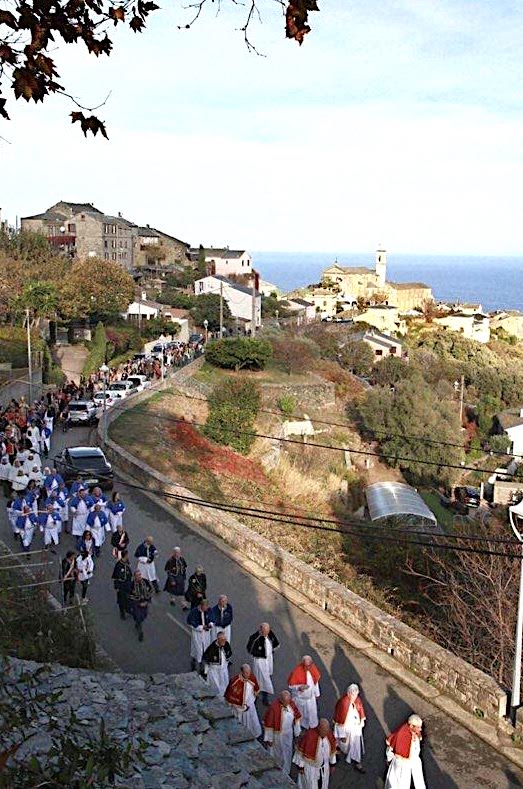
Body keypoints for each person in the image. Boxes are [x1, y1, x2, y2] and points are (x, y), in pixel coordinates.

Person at [263, 690, 302, 774]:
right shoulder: (274, 708)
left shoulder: (291, 704)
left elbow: (296, 717)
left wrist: (297, 731)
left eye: (289, 701)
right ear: (281, 700)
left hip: (288, 733)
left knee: (287, 751)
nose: (288, 703)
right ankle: (276, 769)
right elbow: (269, 725)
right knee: (277, 753)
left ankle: (286, 771)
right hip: (278, 735)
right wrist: (269, 739)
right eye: (286, 702)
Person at [385, 714, 426, 789]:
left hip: (415, 761)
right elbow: (393, 749)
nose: (420, 729)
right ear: (411, 726)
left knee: (419, 782)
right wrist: (389, 759)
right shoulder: (402, 734)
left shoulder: (414, 731)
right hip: (403, 764)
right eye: (418, 727)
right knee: (401, 784)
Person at [292, 719, 337, 789]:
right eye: (324, 730)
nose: (326, 733)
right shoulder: (309, 736)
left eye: (327, 730)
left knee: (323, 785)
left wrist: (333, 764)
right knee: (310, 786)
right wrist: (300, 767)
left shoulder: (329, 735)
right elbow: (301, 753)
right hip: (311, 768)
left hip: (324, 767)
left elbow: (332, 752)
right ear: (319, 728)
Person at [333, 683, 366, 773]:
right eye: (353, 695)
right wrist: (342, 735)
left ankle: (357, 762)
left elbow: (360, 711)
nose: (355, 697)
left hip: (355, 730)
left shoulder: (357, 700)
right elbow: (339, 720)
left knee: (356, 746)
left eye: (356, 694)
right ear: (348, 693)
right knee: (342, 744)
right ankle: (336, 753)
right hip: (346, 729)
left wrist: (361, 721)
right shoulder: (343, 703)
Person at [246, 622, 280, 705]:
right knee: (261, 679)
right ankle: (255, 697)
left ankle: (264, 697)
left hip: (268, 659)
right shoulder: (254, 638)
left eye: (268, 632)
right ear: (261, 630)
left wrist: (271, 651)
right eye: (265, 632)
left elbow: (276, 643)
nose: (267, 634)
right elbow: (249, 649)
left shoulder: (270, 634)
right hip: (260, 661)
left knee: (267, 676)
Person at [224, 664, 261, 739]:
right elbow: (230, 698)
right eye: (246, 673)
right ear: (242, 672)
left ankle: (254, 735)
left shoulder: (252, 678)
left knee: (252, 722)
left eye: (249, 672)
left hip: (250, 707)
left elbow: (256, 690)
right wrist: (241, 707)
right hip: (239, 710)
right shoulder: (234, 682)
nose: (248, 675)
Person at [288, 655, 321, 729]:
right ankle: (302, 727)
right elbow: (291, 685)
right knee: (302, 714)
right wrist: (299, 687)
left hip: (311, 699)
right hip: (302, 700)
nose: (308, 667)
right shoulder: (296, 671)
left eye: (309, 665)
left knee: (312, 713)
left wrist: (316, 694)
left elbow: (316, 682)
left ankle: (313, 726)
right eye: (306, 665)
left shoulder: (313, 668)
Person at [202, 630, 232, 696]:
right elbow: (206, 659)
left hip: (224, 670)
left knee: (225, 685)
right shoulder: (212, 648)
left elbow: (229, 654)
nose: (224, 641)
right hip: (215, 672)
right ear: (218, 639)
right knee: (216, 688)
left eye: (225, 639)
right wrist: (206, 671)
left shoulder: (226, 644)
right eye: (222, 640)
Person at [187, 599, 212, 671]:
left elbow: (212, 619)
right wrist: (201, 627)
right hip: (197, 634)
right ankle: (194, 662)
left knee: (205, 649)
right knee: (197, 649)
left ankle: (202, 668)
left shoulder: (208, 610)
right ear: (201, 606)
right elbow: (190, 623)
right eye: (204, 607)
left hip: (206, 634)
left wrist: (210, 625)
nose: (206, 609)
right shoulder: (194, 612)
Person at [129, 569, 153, 642]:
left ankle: (137, 622)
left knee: (144, 615)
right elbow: (130, 595)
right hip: (136, 603)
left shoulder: (145, 582)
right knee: (138, 616)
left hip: (144, 601)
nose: (139, 576)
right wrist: (138, 603)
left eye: (140, 575)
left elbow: (151, 590)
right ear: (135, 577)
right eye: (137, 575)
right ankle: (140, 632)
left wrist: (147, 601)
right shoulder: (132, 585)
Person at [111, 549, 133, 619]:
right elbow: (115, 576)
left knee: (129, 598)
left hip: (128, 584)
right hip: (121, 585)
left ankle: (128, 609)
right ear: (125, 555)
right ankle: (122, 613)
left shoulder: (127, 562)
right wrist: (117, 587)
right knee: (121, 600)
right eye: (127, 555)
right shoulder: (119, 565)